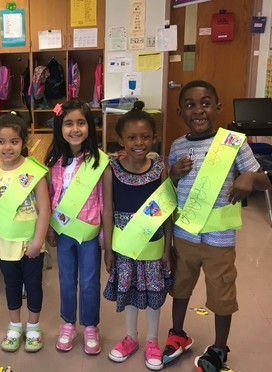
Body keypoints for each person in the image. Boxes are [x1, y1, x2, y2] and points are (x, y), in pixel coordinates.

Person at [164, 80, 270, 372]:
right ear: (180, 111)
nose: (199, 110)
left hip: (219, 240)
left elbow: (264, 180)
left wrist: (249, 178)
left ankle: (220, 348)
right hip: (184, 235)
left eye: (206, 103)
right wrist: (172, 173)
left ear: (218, 107)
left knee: (222, 293)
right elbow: (169, 189)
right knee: (180, 286)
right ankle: (178, 334)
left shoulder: (233, 142)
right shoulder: (177, 146)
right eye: (190, 105)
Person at [102, 102, 174, 371]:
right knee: (129, 291)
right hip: (124, 246)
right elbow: (107, 210)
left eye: (145, 137)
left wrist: (168, 248)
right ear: (121, 140)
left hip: (154, 245)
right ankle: (131, 337)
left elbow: (167, 212)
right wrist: (107, 248)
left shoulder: (160, 169)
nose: (139, 142)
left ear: (153, 138)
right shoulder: (112, 170)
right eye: (131, 137)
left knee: (154, 292)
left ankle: (153, 341)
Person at [44, 100, 111, 356]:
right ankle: (68, 324)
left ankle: (91, 325)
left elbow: (105, 201)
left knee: (91, 281)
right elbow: (50, 197)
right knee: (66, 280)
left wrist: (105, 236)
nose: (75, 129)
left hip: (90, 233)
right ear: (60, 127)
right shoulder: (54, 161)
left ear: (89, 127)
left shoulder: (99, 161)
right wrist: (50, 230)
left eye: (81, 123)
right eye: (69, 123)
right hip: (63, 233)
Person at [0, 112, 50, 353]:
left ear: (23, 142)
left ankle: (33, 327)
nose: (8, 146)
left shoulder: (34, 171)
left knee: (33, 286)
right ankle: (15, 326)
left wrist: (37, 242)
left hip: (31, 243)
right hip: (4, 243)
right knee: (11, 285)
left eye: (14, 141)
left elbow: (45, 210)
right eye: (1, 141)